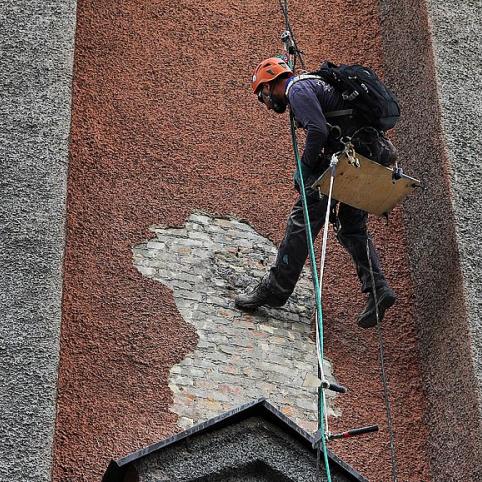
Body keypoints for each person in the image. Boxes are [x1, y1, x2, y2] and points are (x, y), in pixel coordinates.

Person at [235, 57, 397, 328]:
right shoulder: (317, 83)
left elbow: (317, 131)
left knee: (303, 218)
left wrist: (306, 168)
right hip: (369, 155)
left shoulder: (296, 89)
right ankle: (378, 288)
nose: (266, 103)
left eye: (262, 95)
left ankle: (275, 289)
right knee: (351, 228)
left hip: (349, 157)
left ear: (271, 84)